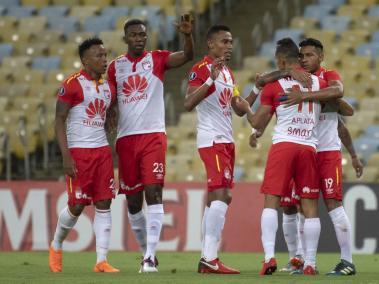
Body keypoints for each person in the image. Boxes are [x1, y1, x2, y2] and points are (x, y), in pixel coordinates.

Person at [234, 38, 343, 276]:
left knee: (271, 201)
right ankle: (311, 264)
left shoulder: (275, 86)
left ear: (282, 61)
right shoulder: (318, 82)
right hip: (309, 148)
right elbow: (338, 98)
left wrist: (246, 108)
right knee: (310, 206)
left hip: (284, 146)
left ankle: (269, 257)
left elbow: (256, 122)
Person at [107, 16, 194, 273]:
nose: (138, 39)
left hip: (153, 135)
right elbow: (109, 100)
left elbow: (188, 55)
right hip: (125, 139)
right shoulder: (115, 67)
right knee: (133, 202)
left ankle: (149, 257)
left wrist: (187, 35)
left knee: (153, 191)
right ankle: (147, 252)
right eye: (134, 35)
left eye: (142, 35)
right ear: (126, 38)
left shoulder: (157, 58)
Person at [280, 38, 363, 275]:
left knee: (333, 203)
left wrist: (354, 156)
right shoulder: (296, 78)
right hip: (305, 151)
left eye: (309, 55)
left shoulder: (328, 76)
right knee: (304, 208)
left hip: (327, 153)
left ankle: (347, 261)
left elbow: (340, 99)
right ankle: (306, 262)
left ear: (321, 57)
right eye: (302, 56)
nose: (304, 59)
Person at [49, 38, 119, 273]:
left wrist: (110, 119)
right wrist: (65, 156)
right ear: (85, 60)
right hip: (79, 152)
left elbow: (108, 110)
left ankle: (101, 260)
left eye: (105, 54)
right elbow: (59, 120)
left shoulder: (108, 86)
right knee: (77, 205)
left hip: (101, 151)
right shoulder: (71, 84)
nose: (104, 59)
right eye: (98, 56)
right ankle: (56, 244)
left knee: (104, 202)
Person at [184, 24, 242, 274]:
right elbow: (187, 103)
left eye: (230, 42)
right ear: (211, 44)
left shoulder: (228, 73)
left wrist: (259, 89)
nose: (229, 46)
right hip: (212, 139)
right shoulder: (201, 69)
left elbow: (238, 107)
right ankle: (210, 257)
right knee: (222, 195)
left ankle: (206, 257)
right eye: (224, 41)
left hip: (227, 140)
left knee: (215, 198)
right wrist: (210, 79)